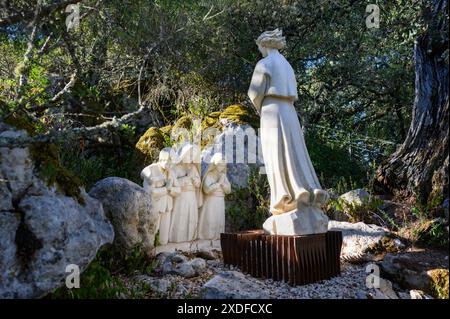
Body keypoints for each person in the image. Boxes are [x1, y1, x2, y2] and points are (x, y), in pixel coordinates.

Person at [248, 28, 329, 216]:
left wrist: (261, 106)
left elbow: (254, 93)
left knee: (275, 153)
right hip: (289, 111)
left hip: (272, 109)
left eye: (260, 47)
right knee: (295, 151)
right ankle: (306, 188)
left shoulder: (264, 63)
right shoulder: (287, 65)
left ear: (264, 44)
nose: (260, 50)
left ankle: (283, 196)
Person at [198, 153, 231, 240]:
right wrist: (218, 184)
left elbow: (228, 190)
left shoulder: (223, 175)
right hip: (211, 201)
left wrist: (223, 185)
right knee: (210, 219)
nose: (222, 166)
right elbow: (206, 190)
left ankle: (217, 238)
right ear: (215, 164)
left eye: (223, 165)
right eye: (220, 164)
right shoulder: (209, 175)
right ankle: (207, 237)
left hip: (220, 200)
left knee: (218, 220)